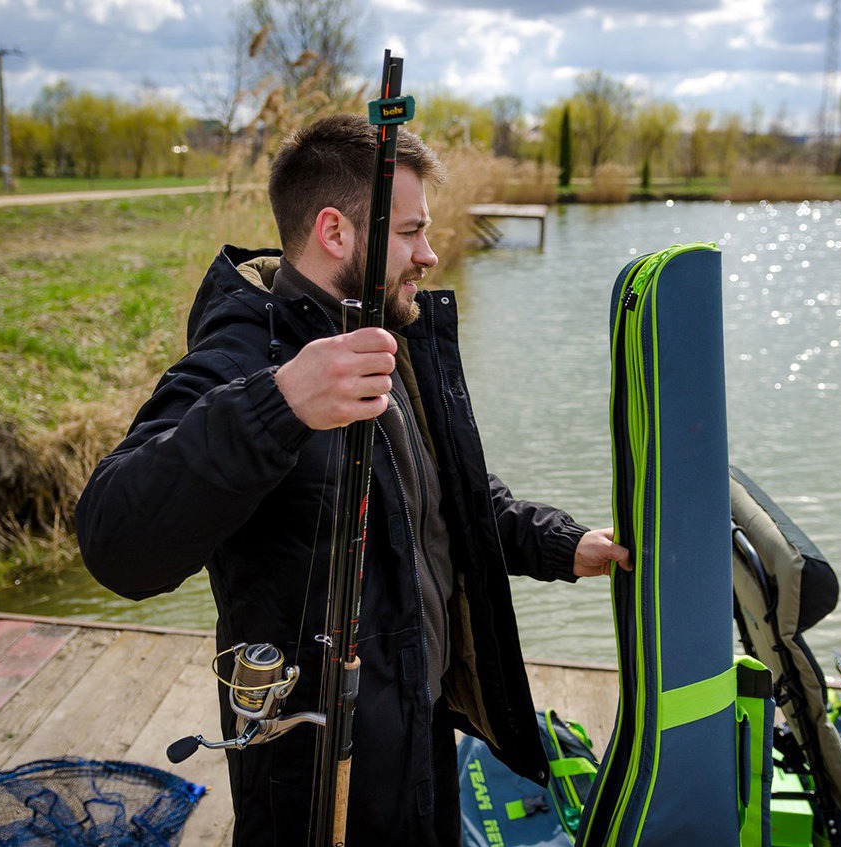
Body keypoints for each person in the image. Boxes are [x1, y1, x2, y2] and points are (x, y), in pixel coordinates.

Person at [74, 112, 627, 846]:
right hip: (318, 783)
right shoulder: (242, 357)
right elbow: (114, 541)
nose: (429, 254)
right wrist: (280, 405)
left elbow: (446, 500)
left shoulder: (386, 334)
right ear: (335, 232)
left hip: (423, 730)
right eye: (409, 232)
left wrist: (566, 543)